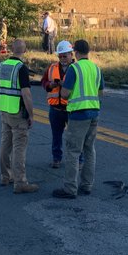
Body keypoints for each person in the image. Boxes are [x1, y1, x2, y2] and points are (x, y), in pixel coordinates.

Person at [53, 39, 104, 199]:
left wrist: (63, 87)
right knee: (89, 150)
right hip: (94, 113)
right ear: (88, 51)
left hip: (78, 115)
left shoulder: (74, 69)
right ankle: (87, 185)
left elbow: (65, 93)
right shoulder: (96, 68)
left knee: (73, 151)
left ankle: (70, 188)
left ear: (75, 51)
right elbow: (100, 92)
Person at [0, 39, 39, 194]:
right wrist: (31, 115)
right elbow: (26, 94)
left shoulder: (3, 66)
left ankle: (5, 176)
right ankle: (20, 182)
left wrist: (5, 102)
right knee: (19, 148)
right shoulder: (21, 68)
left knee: (5, 144)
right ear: (25, 50)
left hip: (5, 110)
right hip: (18, 113)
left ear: (11, 49)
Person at [41, 40, 75, 168]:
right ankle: (57, 159)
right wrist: (50, 85)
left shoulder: (76, 69)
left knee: (74, 138)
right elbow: (43, 81)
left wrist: (64, 85)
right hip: (55, 109)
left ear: (71, 55)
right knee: (56, 137)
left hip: (71, 109)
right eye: (60, 56)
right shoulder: (52, 68)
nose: (62, 59)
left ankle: (79, 160)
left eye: (64, 56)